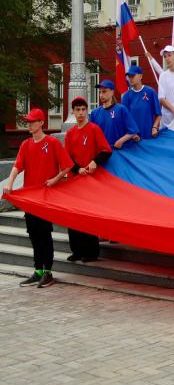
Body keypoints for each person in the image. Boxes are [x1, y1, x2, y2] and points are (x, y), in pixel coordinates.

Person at [3, 108, 73, 288]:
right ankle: (38, 270)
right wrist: (10, 183)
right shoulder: (26, 144)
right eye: (28, 121)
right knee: (33, 234)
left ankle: (48, 272)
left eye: (33, 121)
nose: (29, 124)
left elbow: (67, 165)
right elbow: (17, 166)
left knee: (45, 234)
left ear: (41, 123)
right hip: (30, 198)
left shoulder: (52, 142)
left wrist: (55, 179)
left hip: (46, 197)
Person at [64, 97, 112, 263]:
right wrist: (78, 169)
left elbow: (106, 151)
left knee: (88, 216)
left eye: (83, 110)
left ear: (87, 111)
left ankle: (91, 252)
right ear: (73, 112)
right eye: (77, 110)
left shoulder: (94, 129)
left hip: (90, 181)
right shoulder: (70, 133)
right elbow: (66, 158)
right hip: (75, 180)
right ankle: (76, 251)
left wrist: (94, 162)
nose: (80, 113)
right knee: (73, 216)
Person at [89, 80, 139, 149]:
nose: (101, 95)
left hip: (119, 152)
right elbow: (89, 134)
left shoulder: (121, 109)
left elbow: (133, 130)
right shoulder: (94, 113)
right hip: (102, 153)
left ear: (112, 92)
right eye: (100, 92)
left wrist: (121, 141)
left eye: (104, 91)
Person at [121, 65, 162, 140]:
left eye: (133, 76)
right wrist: (131, 134)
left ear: (140, 76)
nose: (130, 78)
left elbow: (158, 114)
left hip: (149, 136)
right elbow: (124, 119)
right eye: (129, 76)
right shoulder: (126, 96)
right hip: (133, 138)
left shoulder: (150, 92)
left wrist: (154, 127)